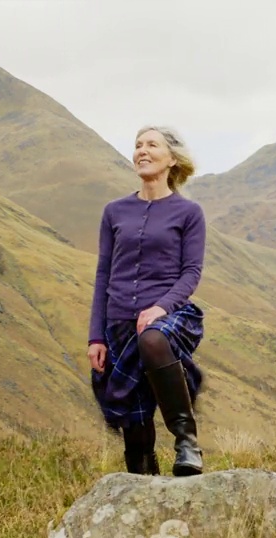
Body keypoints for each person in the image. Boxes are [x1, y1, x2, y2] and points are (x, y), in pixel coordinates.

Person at [88, 126, 206, 476]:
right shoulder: (114, 211)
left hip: (167, 315)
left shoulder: (188, 213)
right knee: (133, 423)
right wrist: (96, 336)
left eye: (151, 145)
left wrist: (160, 308)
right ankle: (145, 478)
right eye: (138, 145)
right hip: (118, 320)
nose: (142, 150)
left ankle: (187, 443)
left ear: (171, 159)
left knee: (153, 338)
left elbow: (191, 272)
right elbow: (103, 275)